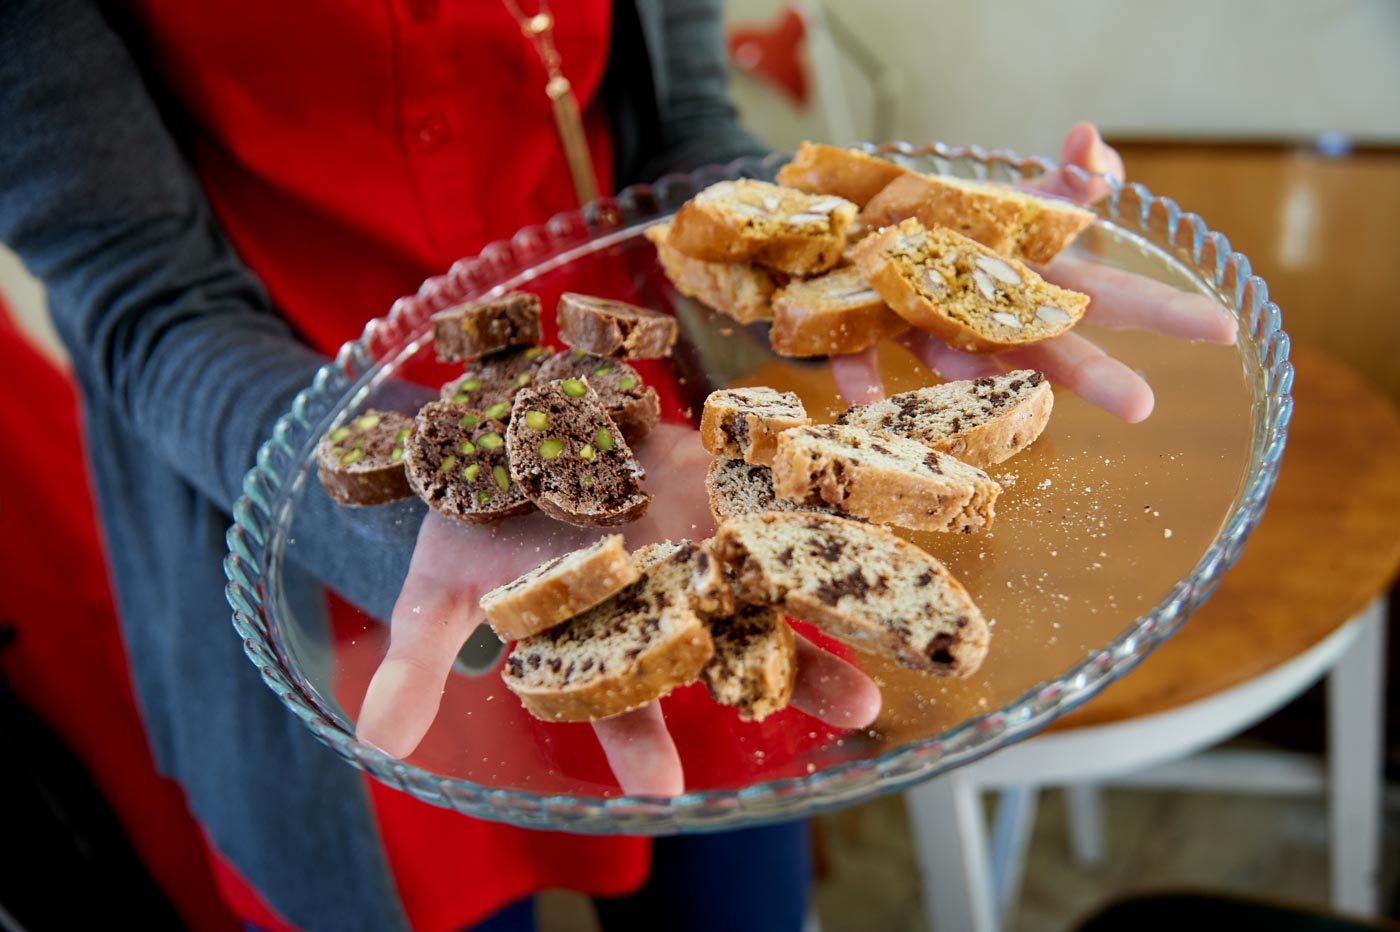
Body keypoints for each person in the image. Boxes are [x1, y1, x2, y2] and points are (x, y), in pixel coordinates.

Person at [0, 0, 1234, 928]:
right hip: (307, 510)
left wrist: (839, 255)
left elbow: (686, 143)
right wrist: (427, 499)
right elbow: (146, 304)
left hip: (659, 464)